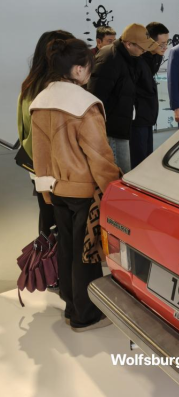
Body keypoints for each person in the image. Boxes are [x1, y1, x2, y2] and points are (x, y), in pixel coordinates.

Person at [30, 38, 120, 332]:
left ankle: (71, 306)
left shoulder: (41, 101)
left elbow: (40, 154)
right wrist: (114, 188)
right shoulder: (84, 105)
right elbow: (99, 156)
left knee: (67, 250)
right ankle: (85, 315)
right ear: (79, 69)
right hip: (84, 192)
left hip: (56, 190)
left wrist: (46, 191)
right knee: (87, 255)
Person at [18, 30, 74, 238]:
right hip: (56, 169)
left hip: (37, 166)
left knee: (48, 219)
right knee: (62, 225)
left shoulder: (29, 86)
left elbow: (23, 131)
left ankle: (45, 256)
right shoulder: (53, 92)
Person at [88, 23, 158, 172]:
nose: (144, 50)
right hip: (112, 130)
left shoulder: (130, 57)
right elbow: (96, 98)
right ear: (128, 44)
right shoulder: (110, 58)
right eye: (142, 47)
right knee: (118, 174)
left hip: (122, 126)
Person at [130, 22, 169, 169]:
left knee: (147, 156)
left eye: (167, 43)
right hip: (138, 116)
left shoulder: (156, 56)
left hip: (149, 115)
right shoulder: (138, 59)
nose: (165, 47)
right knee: (139, 160)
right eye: (162, 44)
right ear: (150, 42)